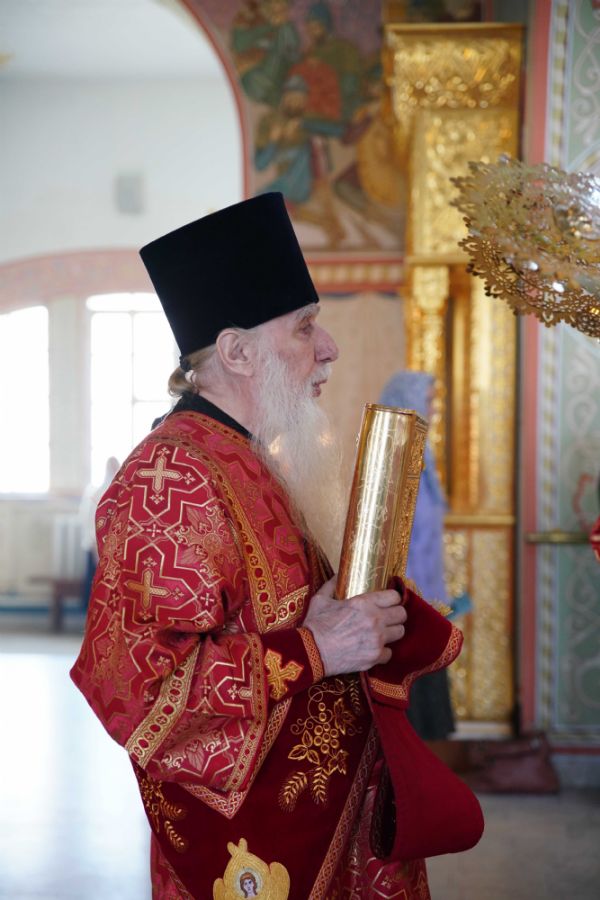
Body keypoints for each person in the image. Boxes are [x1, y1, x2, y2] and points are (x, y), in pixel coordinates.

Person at [71, 193, 430, 899]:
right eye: (305, 327)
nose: (328, 348)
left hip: (325, 824)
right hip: (251, 856)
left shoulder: (251, 457)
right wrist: (317, 648)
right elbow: (139, 694)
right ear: (236, 351)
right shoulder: (169, 480)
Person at [379, 371, 455, 741]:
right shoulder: (397, 456)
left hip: (426, 596)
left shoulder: (423, 453)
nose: (434, 409)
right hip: (405, 599)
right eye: (428, 400)